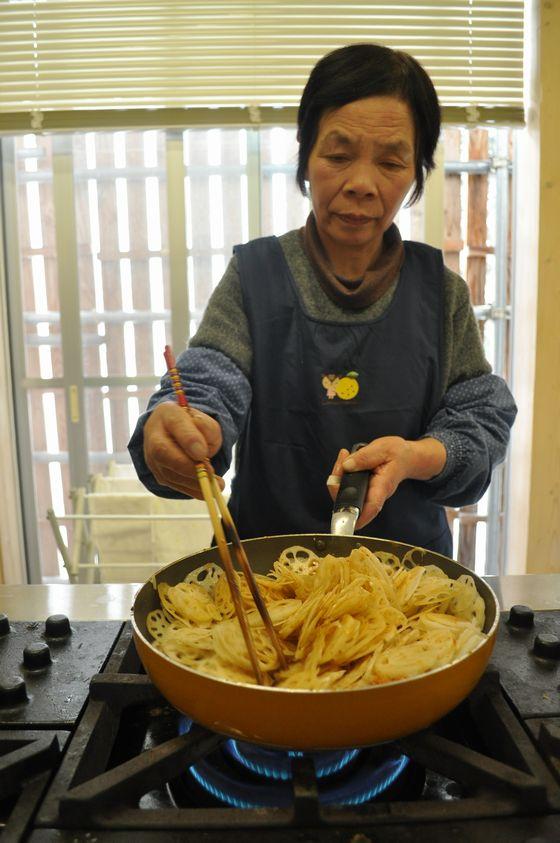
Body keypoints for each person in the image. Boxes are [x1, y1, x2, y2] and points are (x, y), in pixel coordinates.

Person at [128, 43, 517, 557]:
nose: (360, 184)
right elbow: (208, 376)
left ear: (416, 171)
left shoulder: (440, 291)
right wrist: (184, 424)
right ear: (306, 154)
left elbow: (479, 416)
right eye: (337, 155)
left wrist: (421, 455)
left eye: (392, 161)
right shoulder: (255, 275)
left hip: (411, 585)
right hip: (267, 578)